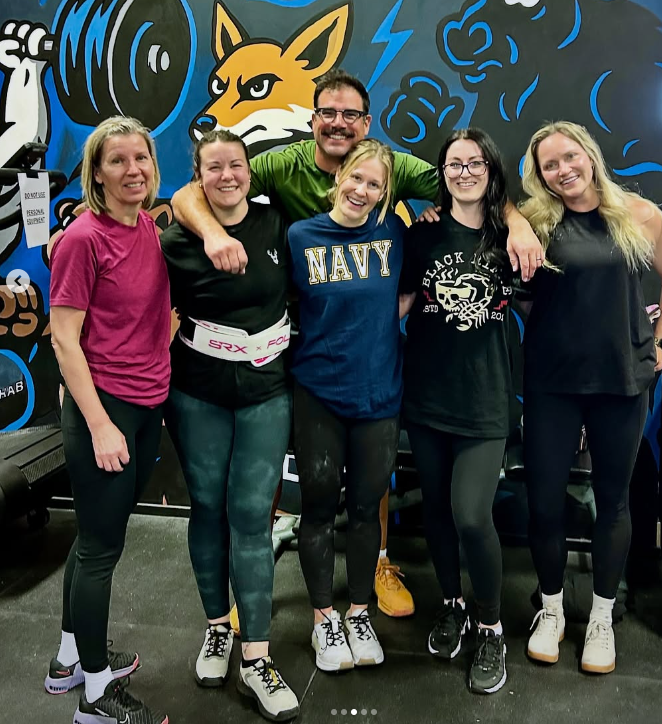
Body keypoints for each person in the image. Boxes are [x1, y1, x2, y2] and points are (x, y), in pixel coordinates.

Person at [171, 69, 544, 620]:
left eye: (350, 114)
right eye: (329, 112)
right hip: (300, 348)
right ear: (313, 119)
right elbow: (194, 189)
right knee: (300, 485)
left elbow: (469, 182)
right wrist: (213, 233)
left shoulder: (393, 179)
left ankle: (378, 570)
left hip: (379, 367)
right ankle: (266, 572)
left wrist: (517, 223)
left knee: (373, 490)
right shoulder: (281, 170)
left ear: (367, 124)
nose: (339, 123)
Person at [519, 121, 662, 674]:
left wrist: (661, 344)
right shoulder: (535, 222)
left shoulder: (639, 214)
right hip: (552, 383)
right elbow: (521, 288)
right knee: (544, 503)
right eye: (549, 165)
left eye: (570, 157)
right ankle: (550, 611)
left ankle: (601, 618)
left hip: (621, 381)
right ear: (540, 175)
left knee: (613, 502)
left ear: (589, 156)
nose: (563, 170)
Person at [159, 130, 299, 721]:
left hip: (267, 391)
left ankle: (257, 658)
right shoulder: (174, 241)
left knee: (250, 514)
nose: (227, 176)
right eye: (213, 167)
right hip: (198, 392)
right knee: (208, 508)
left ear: (249, 169)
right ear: (198, 176)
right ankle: (218, 627)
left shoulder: (277, 225)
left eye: (235, 165)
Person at [46, 117, 171, 724]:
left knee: (95, 537)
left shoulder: (147, 225)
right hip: (106, 410)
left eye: (140, 158)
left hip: (146, 405)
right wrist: (98, 424)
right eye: (117, 161)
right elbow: (63, 340)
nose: (132, 170)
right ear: (96, 173)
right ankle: (96, 696)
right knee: (100, 549)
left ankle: (70, 658)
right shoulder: (82, 239)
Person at [399, 127, 515, 694]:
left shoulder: (512, 236)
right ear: (441, 173)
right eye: (453, 164)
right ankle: (453, 604)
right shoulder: (421, 234)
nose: (464, 172)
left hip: (485, 400)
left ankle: (491, 626)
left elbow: (545, 306)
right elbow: (398, 301)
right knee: (438, 512)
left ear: (491, 171)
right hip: (426, 397)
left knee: (471, 514)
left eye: (475, 163)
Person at [286, 138, 404, 671]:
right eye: (356, 177)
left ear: (384, 193)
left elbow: (408, 294)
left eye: (375, 184)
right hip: (319, 391)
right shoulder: (301, 236)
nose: (362, 189)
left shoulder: (393, 234)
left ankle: (358, 613)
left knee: (364, 508)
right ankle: (323, 620)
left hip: (379, 393)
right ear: (338, 178)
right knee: (316, 506)